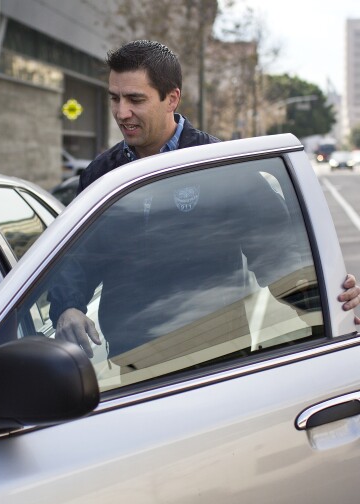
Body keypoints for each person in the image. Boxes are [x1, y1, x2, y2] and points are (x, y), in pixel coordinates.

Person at [51, 39, 360, 359]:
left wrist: (327, 299)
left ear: (172, 98)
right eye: (114, 98)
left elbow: (281, 257)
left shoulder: (221, 168)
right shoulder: (102, 175)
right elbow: (79, 259)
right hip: (130, 362)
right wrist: (67, 307)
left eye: (135, 99)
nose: (121, 112)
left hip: (215, 357)